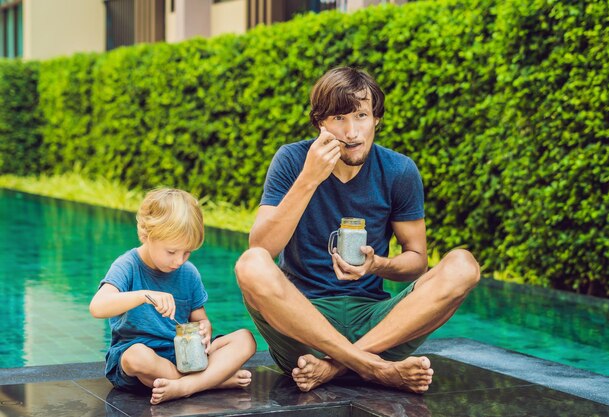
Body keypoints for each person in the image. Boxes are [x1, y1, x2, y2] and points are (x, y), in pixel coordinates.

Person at [235, 67, 480, 394]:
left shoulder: (398, 170)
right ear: (320, 122)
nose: (352, 132)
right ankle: (374, 368)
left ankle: (336, 366)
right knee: (249, 264)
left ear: (376, 118)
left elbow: (417, 262)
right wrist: (309, 178)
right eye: (338, 118)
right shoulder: (293, 160)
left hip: (378, 325)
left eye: (361, 115)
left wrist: (377, 264)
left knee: (463, 265)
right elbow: (262, 248)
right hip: (303, 325)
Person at [90, 188, 256, 405]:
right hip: (142, 365)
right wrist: (143, 296)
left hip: (182, 356)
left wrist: (205, 328)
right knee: (136, 356)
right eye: (171, 252)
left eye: (187, 252)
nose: (179, 260)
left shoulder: (188, 272)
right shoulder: (128, 265)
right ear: (148, 235)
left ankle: (186, 385)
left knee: (245, 339)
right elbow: (97, 307)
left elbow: (200, 320)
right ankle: (212, 381)